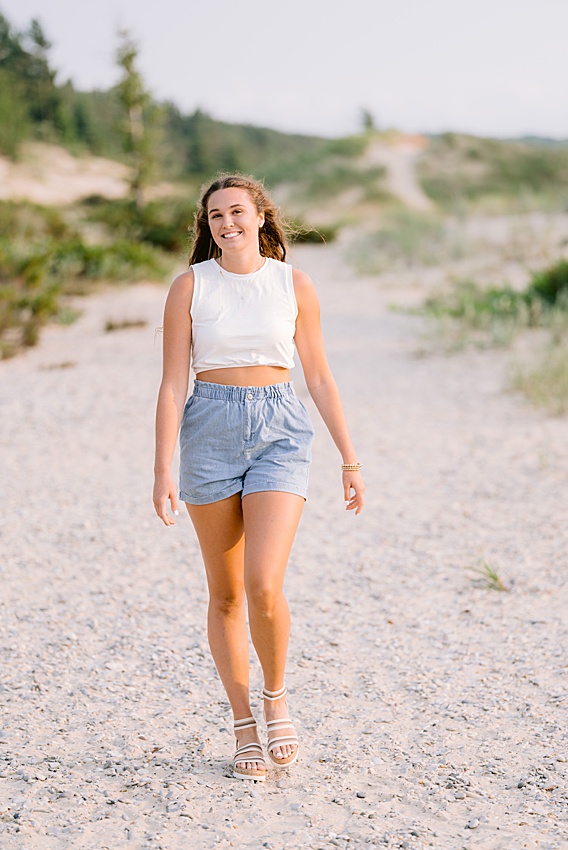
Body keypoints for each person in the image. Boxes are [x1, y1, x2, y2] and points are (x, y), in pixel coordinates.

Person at [152, 174, 366, 782]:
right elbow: (172, 383)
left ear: (261, 216)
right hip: (209, 432)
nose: (227, 223)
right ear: (207, 225)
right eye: (215, 215)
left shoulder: (294, 284)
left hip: (280, 429)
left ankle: (276, 700)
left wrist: (350, 458)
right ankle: (243, 722)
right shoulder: (190, 286)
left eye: (237, 211)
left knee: (264, 583)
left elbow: (318, 376)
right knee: (225, 594)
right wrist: (162, 467)